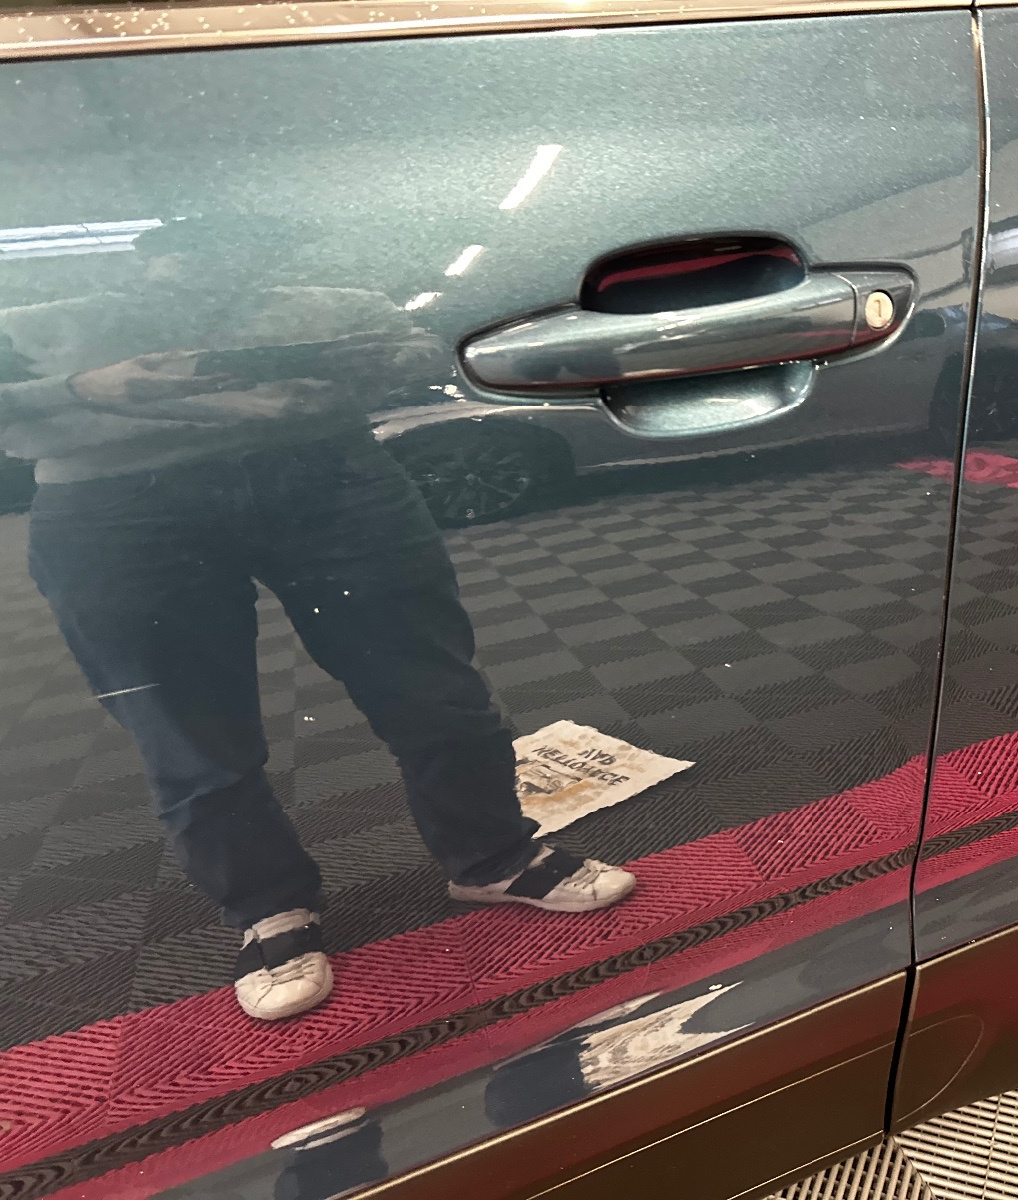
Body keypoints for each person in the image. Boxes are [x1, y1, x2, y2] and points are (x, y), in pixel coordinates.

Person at [0, 216, 634, 1021]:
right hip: (114, 502)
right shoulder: (38, 320)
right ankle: (268, 909)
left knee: (430, 684)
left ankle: (492, 856)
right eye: (186, 247)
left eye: (242, 243)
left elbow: (421, 353)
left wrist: (372, 363)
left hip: (327, 473)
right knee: (185, 726)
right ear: (146, 252)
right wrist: (81, 389)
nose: (210, 262)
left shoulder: (331, 304)